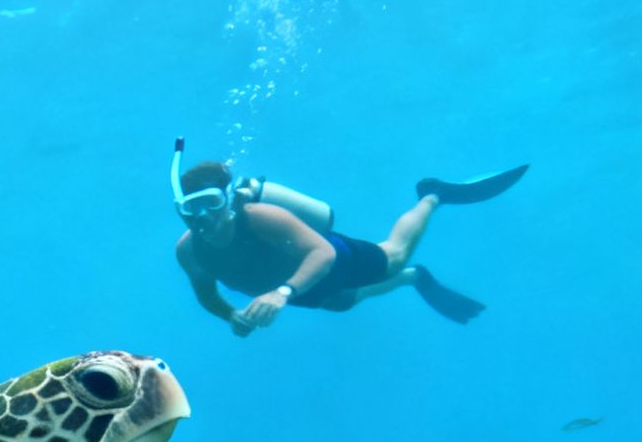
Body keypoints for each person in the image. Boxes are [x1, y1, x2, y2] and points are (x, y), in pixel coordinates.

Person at [169, 141, 527, 336]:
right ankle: (415, 278)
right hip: (301, 292)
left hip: (325, 265)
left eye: (210, 204)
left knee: (396, 254)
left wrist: (282, 293)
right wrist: (232, 317)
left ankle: (432, 195)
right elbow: (206, 293)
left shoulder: (261, 218)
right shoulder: (189, 252)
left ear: (228, 203)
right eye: (189, 209)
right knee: (341, 303)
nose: (202, 218)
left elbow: (322, 252)